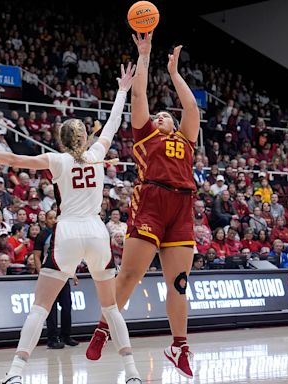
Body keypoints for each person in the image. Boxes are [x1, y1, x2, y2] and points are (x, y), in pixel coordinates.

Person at [0, 63, 142, 384]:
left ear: (61, 139)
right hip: (97, 233)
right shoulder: (97, 153)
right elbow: (112, 125)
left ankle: (15, 373)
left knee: (40, 308)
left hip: (68, 232)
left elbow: (13, 159)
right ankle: (133, 373)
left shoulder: (56, 160)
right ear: (83, 137)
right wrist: (123, 90)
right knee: (110, 308)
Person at [86, 33, 199, 379]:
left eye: (167, 115)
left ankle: (178, 346)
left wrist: (175, 72)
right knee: (131, 276)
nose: (163, 116)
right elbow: (139, 94)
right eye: (159, 114)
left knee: (179, 283)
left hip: (182, 205)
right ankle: (103, 329)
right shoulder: (145, 134)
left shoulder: (185, 138)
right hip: (151, 200)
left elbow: (191, 108)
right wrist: (145, 54)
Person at [34, 225, 80, 349]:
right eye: (50, 217)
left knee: (67, 306)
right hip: (49, 274)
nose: (54, 220)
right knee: (51, 309)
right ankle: (52, 338)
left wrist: (73, 273)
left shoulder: (65, 236)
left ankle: (66, 336)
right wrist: (40, 274)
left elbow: (68, 257)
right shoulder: (43, 235)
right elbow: (36, 256)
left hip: (64, 274)